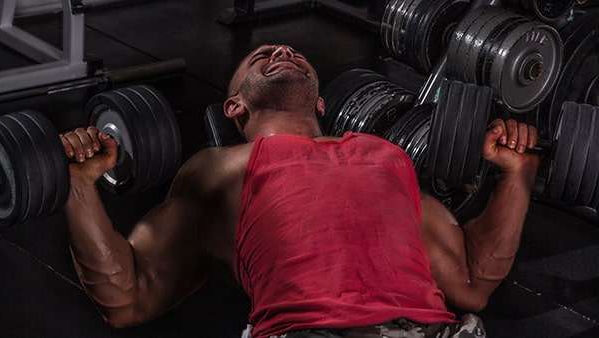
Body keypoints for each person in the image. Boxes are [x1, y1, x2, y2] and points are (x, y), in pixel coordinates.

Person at [60, 44, 541, 338]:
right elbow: (128, 299)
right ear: (234, 106)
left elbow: (471, 282)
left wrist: (517, 175)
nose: (282, 52)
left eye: (293, 53)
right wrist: (78, 187)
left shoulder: (387, 158)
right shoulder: (217, 171)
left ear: (320, 101)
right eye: (262, 56)